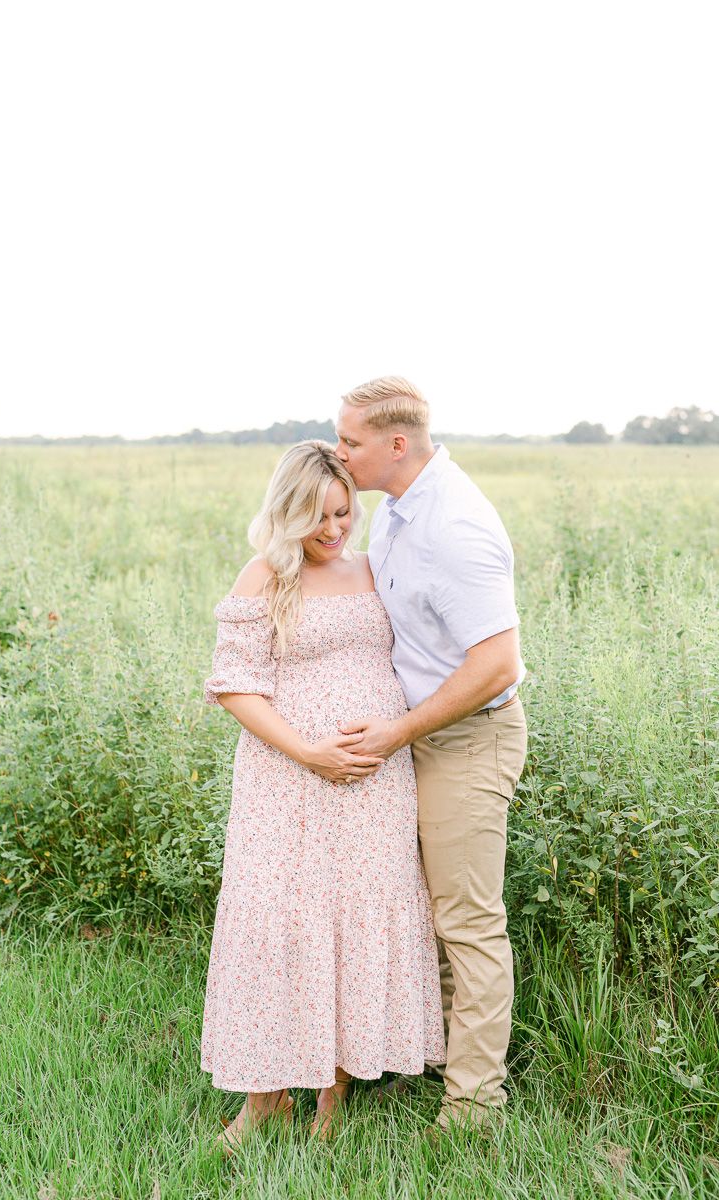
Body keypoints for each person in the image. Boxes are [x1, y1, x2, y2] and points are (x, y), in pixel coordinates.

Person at [201, 441, 445, 1153]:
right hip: (286, 784)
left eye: (344, 512)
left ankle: (332, 1096)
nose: (335, 529)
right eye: (318, 517)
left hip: (374, 789)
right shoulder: (265, 576)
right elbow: (235, 686)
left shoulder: (373, 569)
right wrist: (309, 751)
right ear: (288, 512)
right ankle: (264, 1099)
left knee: (351, 923)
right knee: (278, 924)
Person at [333, 376, 527, 1134]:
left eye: (349, 441)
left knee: (467, 921)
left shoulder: (455, 525)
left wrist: (396, 733)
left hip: (467, 738)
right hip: (413, 731)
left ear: (396, 444)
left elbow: (497, 665)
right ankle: (433, 1060)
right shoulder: (394, 509)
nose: (339, 452)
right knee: (422, 912)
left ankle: (473, 1108)